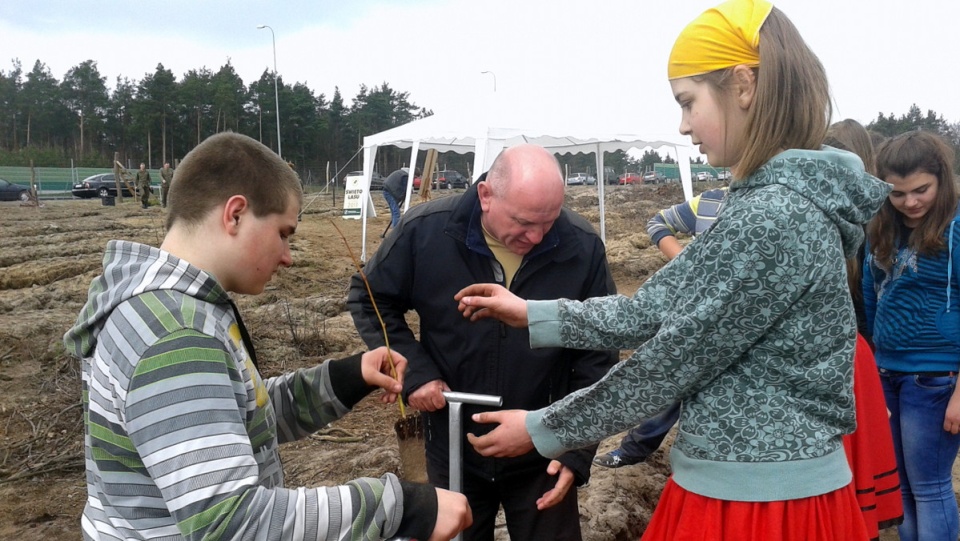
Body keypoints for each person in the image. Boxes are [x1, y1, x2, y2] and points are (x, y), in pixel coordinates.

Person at [455, 1, 892, 539]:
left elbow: (672, 361)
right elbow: (653, 308)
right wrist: (534, 314)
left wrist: (545, 427)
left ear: (743, 86)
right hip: (748, 483)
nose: (682, 126)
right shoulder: (765, 204)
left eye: (688, 102)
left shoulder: (774, 216)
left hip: (761, 504)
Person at [63, 132, 471, 541]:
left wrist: (350, 376)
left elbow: (239, 420)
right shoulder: (176, 333)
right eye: (283, 233)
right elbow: (232, 522)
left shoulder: (166, 309)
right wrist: (401, 505)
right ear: (235, 214)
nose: (288, 257)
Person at [347, 143, 618, 541]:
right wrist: (418, 372)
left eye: (549, 220)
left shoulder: (580, 245)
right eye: (525, 222)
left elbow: (598, 352)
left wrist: (574, 448)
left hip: (543, 446)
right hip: (453, 442)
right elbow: (370, 298)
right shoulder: (426, 231)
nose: (538, 235)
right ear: (486, 196)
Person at [862, 130, 960, 541]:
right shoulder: (881, 229)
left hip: (936, 379)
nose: (911, 202)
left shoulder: (956, 231)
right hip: (886, 375)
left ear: (943, 179)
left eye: (921, 190)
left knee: (931, 488)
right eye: (898, 194)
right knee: (900, 487)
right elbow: (870, 303)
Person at [594, 186, 728, 469]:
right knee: (672, 380)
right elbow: (658, 222)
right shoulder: (711, 201)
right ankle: (635, 448)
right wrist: (685, 262)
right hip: (699, 319)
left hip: (747, 329)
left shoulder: (781, 206)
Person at [382, 167, 410, 234]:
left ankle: (394, 227)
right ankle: (395, 232)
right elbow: (405, 188)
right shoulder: (405, 176)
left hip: (387, 190)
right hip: (389, 192)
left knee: (394, 211)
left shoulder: (401, 173)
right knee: (396, 212)